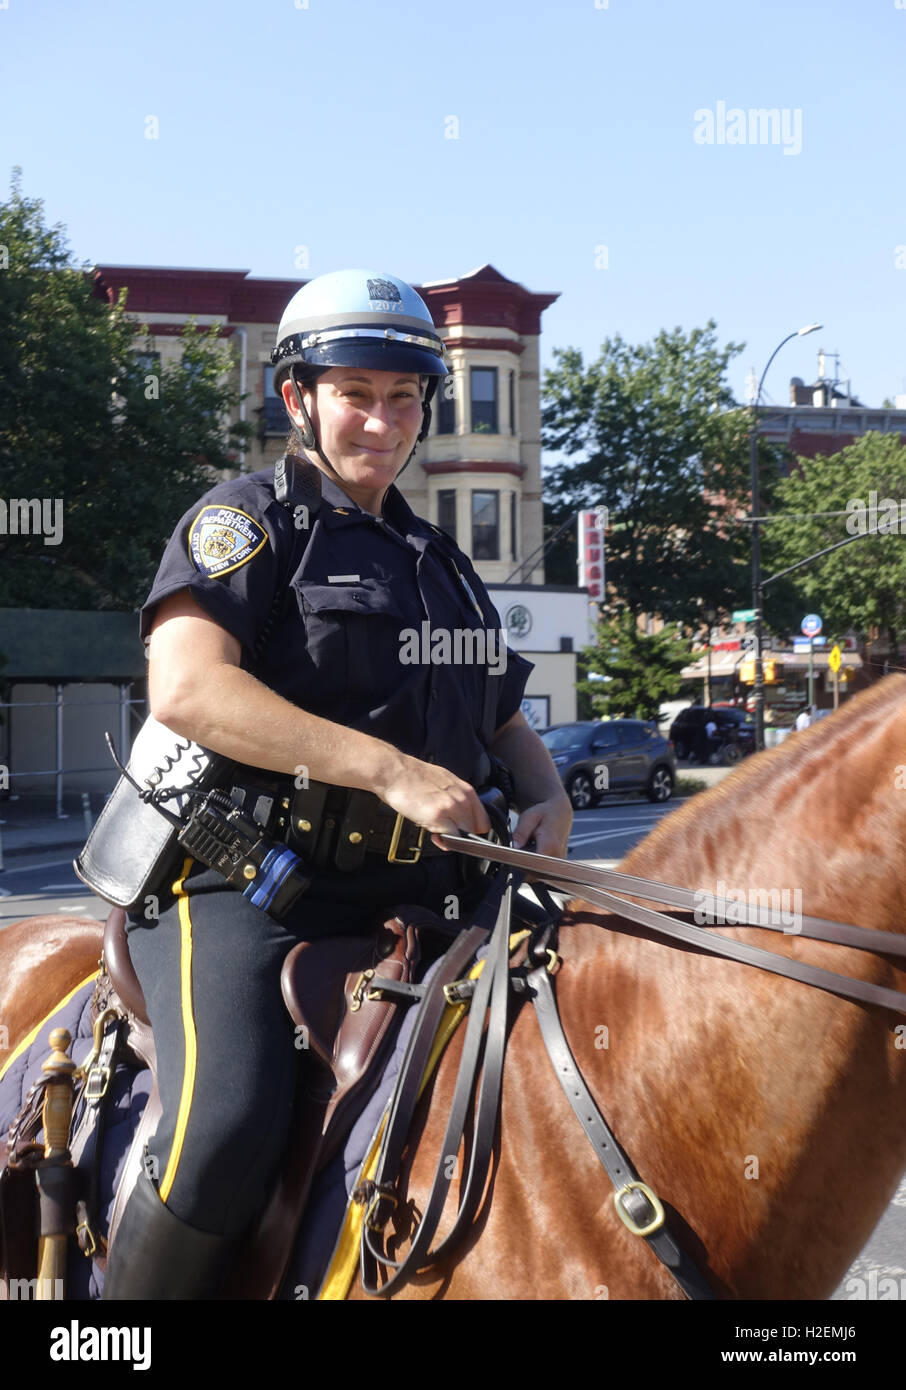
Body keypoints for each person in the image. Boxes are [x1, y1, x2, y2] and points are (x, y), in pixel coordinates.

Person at [101, 268, 573, 1299]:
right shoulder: (245, 523)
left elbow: (497, 713)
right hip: (247, 886)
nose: (384, 419)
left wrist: (548, 794)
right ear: (298, 398)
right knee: (219, 1132)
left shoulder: (437, 559)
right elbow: (185, 690)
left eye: (404, 397)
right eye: (356, 392)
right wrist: (389, 769)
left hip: (425, 895)